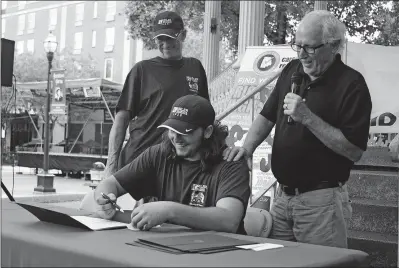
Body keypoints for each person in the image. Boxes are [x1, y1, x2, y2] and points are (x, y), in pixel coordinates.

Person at [224, 10, 372, 248]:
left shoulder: (351, 85)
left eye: (310, 48)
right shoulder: (293, 70)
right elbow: (267, 115)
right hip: (283, 199)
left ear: (333, 46)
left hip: (321, 203)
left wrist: (308, 118)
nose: (301, 54)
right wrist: (247, 148)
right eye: (297, 45)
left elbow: (354, 151)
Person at [94, 95, 250, 234]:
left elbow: (229, 220)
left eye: (185, 131)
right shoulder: (159, 154)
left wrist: (168, 210)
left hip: (221, 252)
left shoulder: (231, 162)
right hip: (170, 248)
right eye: (172, 129)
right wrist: (104, 201)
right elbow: (109, 184)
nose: (176, 138)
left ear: (207, 131)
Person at [104, 11, 209, 182]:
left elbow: (205, 118)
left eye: (170, 37)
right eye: (161, 38)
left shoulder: (195, 67)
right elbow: (121, 119)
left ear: (183, 35)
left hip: (179, 164)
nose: (165, 44)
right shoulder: (141, 70)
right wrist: (111, 166)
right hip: (139, 160)